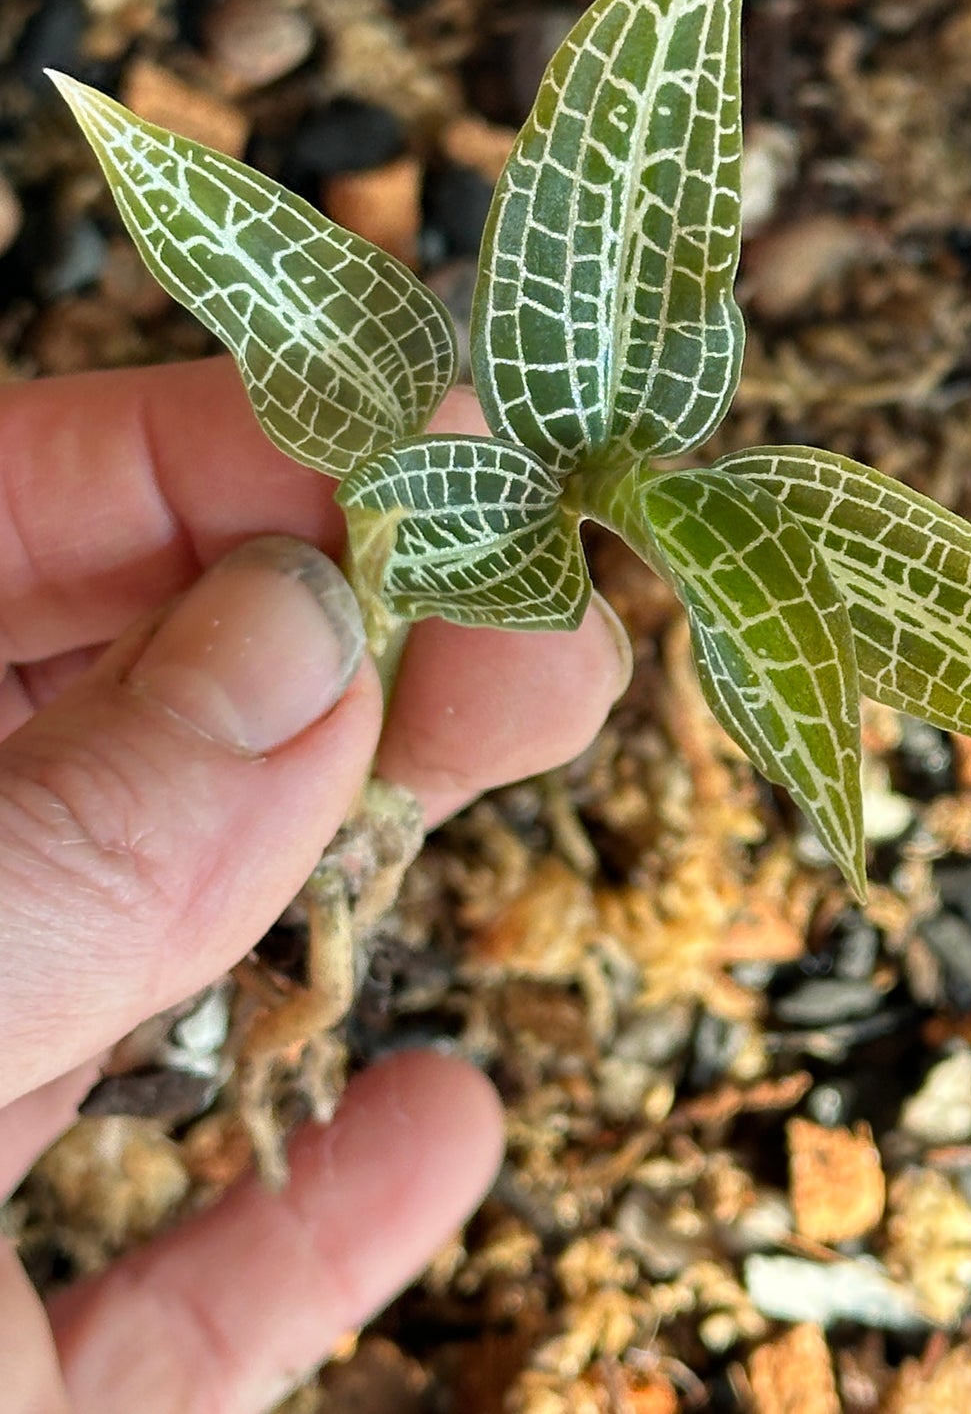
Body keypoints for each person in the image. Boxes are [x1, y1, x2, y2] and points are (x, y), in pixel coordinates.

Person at [0, 357, 630, 1413]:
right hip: (283, 853)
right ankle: (239, 1053)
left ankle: (244, 1052)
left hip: (298, 863)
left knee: (310, 987)